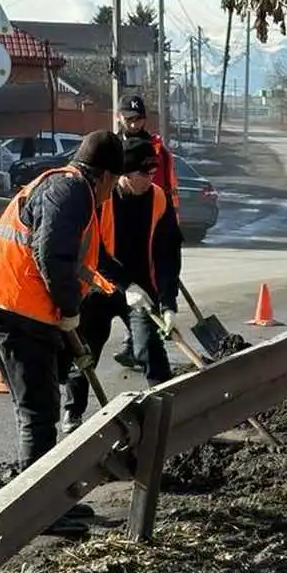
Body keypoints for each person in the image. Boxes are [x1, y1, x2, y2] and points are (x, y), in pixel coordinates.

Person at [0, 130, 124, 537]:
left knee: (42, 405)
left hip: (17, 306)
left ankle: (49, 501)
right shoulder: (70, 192)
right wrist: (69, 310)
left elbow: (77, 262)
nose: (110, 196)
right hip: (11, 306)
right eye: (113, 186)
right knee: (38, 410)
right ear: (105, 177)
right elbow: (52, 254)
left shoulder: (68, 190)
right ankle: (38, 512)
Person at [61, 136, 183, 433]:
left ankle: (166, 412)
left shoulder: (158, 198)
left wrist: (168, 303)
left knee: (150, 349)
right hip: (99, 289)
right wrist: (124, 285)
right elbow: (95, 254)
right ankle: (72, 413)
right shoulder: (101, 198)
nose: (150, 180)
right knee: (86, 352)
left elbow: (169, 255)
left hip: (141, 293)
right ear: (125, 174)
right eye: (144, 174)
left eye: (153, 174)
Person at [114, 94, 180, 369]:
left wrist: (168, 302)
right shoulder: (110, 148)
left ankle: (139, 346)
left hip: (152, 226)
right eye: (128, 119)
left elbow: (168, 187)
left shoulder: (158, 151)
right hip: (110, 264)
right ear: (119, 117)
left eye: (138, 119)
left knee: (147, 330)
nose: (133, 124)